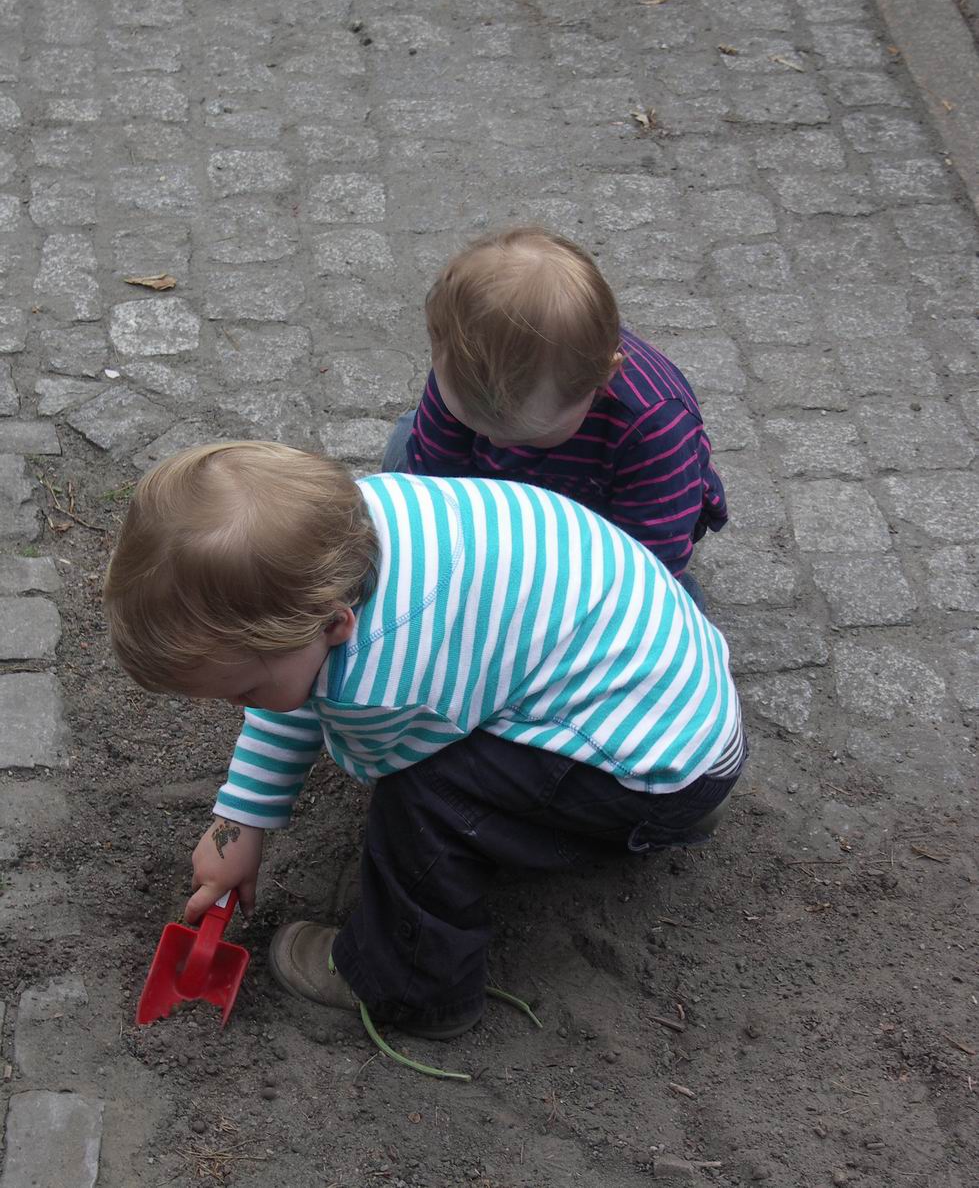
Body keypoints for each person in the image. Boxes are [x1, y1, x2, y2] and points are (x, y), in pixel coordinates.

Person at [104, 441, 746, 1052]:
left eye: (242, 690)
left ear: (334, 623)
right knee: (331, 702)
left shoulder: (378, 684)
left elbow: (336, 723)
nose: (239, 707)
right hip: (683, 702)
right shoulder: (356, 522)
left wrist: (260, 798)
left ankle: (412, 986)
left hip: (651, 776)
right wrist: (241, 816)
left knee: (425, 797)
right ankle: (669, 798)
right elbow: (295, 684)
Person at [383, 227, 727, 606]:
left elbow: (649, 561)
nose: (495, 444)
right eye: (473, 422)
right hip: (503, 500)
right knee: (406, 444)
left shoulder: (655, 428)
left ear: (601, 381)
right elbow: (435, 477)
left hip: (600, 521)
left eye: (525, 436)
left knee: (676, 604)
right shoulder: (464, 366)